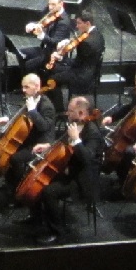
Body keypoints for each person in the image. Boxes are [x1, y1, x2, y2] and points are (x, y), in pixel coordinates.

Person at [26, 96, 104, 244]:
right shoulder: (74, 124)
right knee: (36, 180)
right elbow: (63, 145)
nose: (67, 113)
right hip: (69, 171)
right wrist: (48, 146)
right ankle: (37, 219)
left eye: (71, 111)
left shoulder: (93, 133)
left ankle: (58, 232)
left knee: (49, 192)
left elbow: (87, 159)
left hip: (82, 179)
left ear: (81, 113)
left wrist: (76, 140)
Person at [0, 74, 58, 192]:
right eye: (23, 87)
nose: (23, 90)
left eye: (26, 87)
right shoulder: (31, 99)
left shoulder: (46, 106)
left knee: (16, 158)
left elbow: (43, 127)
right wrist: (9, 120)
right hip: (29, 139)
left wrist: (33, 110)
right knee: (9, 152)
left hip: (41, 144)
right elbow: (23, 119)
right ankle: (9, 185)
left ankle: (18, 189)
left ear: (37, 86)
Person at [46, 10, 105, 114]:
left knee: (52, 79)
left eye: (79, 23)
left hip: (82, 75)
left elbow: (76, 63)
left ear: (87, 23)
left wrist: (61, 58)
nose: (77, 26)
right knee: (54, 68)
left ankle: (59, 110)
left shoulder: (86, 43)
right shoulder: (98, 35)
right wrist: (69, 41)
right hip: (91, 71)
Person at [21, 0, 75, 76]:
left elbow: (55, 43)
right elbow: (44, 23)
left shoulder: (64, 22)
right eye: (49, 4)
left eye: (53, 4)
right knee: (20, 53)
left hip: (52, 55)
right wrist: (34, 25)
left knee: (28, 65)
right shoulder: (52, 12)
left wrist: (42, 35)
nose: (50, 7)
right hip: (44, 50)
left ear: (61, 4)